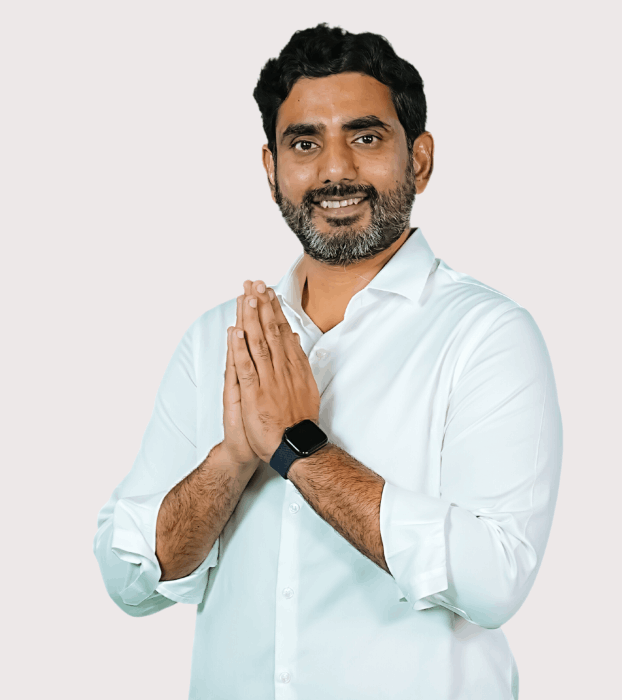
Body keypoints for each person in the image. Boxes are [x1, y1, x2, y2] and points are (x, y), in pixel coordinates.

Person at [93, 23, 562, 700]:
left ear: (420, 159)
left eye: (365, 138)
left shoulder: (486, 335)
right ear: (271, 168)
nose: (335, 170)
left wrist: (298, 448)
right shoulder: (215, 338)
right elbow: (128, 579)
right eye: (305, 143)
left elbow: (495, 581)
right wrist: (234, 457)